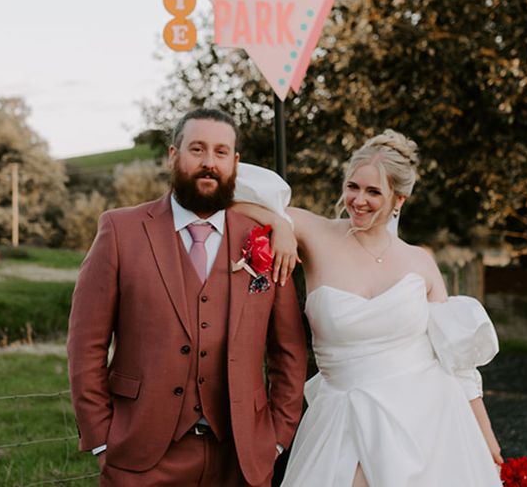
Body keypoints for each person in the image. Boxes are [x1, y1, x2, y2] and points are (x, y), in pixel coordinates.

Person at [233, 129, 503, 487]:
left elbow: (456, 362)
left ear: (399, 199)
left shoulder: (420, 261)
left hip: (429, 418)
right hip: (344, 415)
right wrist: (280, 224)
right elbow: (229, 202)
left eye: (373, 192)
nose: (358, 200)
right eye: (353, 187)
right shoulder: (315, 233)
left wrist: (486, 439)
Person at [67, 108, 308, 487]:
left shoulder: (265, 240)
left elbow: (289, 351)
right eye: (197, 149)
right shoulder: (120, 230)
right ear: (173, 155)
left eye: (221, 152)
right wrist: (101, 438)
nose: (209, 162)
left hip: (241, 458)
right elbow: (86, 344)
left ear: (234, 163)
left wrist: (276, 438)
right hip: (140, 455)